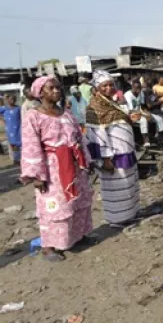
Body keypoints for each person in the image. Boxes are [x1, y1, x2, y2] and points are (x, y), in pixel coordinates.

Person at [19, 76, 94, 262]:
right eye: (51, 88)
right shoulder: (33, 116)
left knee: (79, 201)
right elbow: (30, 144)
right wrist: (36, 175)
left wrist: (86, 161)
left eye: (58, 87)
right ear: (40, 93)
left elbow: (79, 137)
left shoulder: (67, 114)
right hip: (52, 168)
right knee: (54, 208)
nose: (57, 91)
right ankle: (49, 247)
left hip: (74, 165)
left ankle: (78, 236)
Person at [85, 70, 141, 227]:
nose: (109, 88)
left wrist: (130, 119)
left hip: (126, 151)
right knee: (117, 187)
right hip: (113, 155)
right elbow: (96, 135)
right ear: (97, 88)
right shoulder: (94, 107)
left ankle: (131, 214)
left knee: (129, 184)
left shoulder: (113, 103)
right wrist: (105, 158)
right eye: (104, 86)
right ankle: (117, 219)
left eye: (111, 85)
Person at [2, 94, 22, 165]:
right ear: (8, 100)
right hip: (10, 129)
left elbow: (21, 117)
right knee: (12, 144)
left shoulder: (18, 108)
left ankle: (18, 159)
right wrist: (2, 120)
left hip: (18, 128)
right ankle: (15, 159)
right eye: (10, 99)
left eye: (13, 99)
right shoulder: (4, 108)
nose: (12, 101)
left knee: (19, 143)